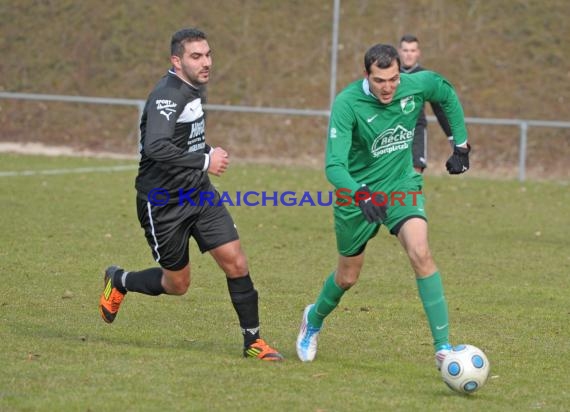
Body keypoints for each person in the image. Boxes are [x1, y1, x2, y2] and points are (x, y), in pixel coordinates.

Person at [99, 28, 283, 361]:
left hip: (198, 193)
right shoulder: (168, 95)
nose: (206, 62)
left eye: (208, 54)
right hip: (163, 202)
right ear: (177, 60)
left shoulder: (196, 89)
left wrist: (206, 150)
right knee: (178, 284)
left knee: (237, 263)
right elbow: (155, 146)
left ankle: (253, 341)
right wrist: (205, 160)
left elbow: (184, 139)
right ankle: (120, 280)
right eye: (196, 56)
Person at [296, 43, 471, 368]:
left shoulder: (414, 85)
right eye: (380, 81)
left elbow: (445, 92)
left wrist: (459, 143)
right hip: (357, 196)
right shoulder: (348, 104)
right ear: (367, 75)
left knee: (421, 253)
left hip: (402, 186)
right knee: (347, 276)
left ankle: (443, 349)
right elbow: (334, 166)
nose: (388, 87)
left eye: (392, 79)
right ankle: (314, 317)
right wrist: (360, 193)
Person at [398, 34, 454, 173]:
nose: (408, 55)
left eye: (412, 50)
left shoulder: (426, 77)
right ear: (399, 51)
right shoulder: (390, 74)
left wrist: (452, 136)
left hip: (416, 129)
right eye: (405, 50)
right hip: (393, 128)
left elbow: (439, 109)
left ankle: (412, 195)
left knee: (415, 171)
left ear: (418, 53)